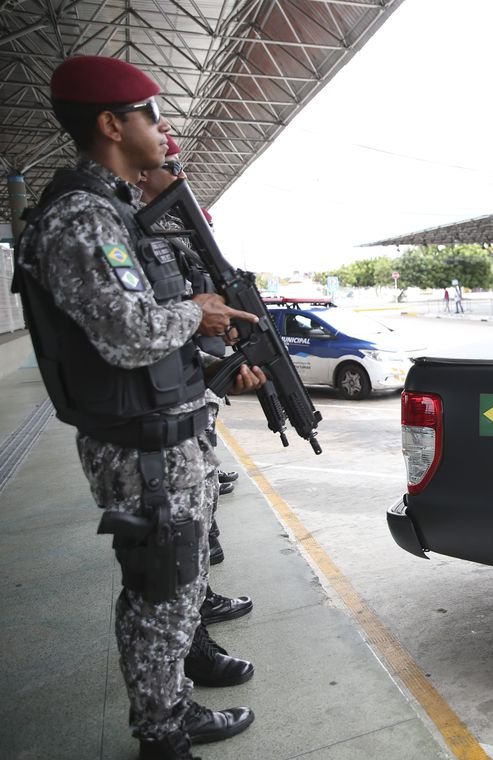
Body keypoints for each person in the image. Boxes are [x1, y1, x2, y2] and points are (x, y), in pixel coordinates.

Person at [14, 55, 263, 760]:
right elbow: (128, 334)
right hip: (139, 443)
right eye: (151, 112)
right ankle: (163, 731)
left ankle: (173, 704)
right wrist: (197, 311)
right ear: (111, 124)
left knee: (173, 579)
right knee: (161, 586)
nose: (163, 127)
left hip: (156, 430)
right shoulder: (83, 217)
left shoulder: (111, 211)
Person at [137, 140, 254, 626]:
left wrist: (210, 368)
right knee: (168, 559)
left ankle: (196, 623)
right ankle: (175, 681)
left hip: (176, 400)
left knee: (186, 546)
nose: (177, 174)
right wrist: (194, 315)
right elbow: (129, 333)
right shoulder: (103, 222)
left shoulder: (151, 235)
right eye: (170, 166)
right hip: (148, 421)